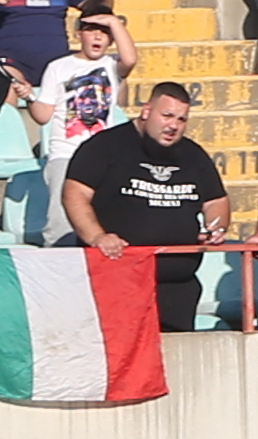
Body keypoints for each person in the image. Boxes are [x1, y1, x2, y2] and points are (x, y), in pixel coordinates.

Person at [63, 81, 230, 332]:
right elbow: (74, 194)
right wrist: (98, 237)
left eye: (181, 119)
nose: (173, 126)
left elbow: (216, 200)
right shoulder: (105, 146)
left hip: (176, 285)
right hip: (118, 280)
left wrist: (215, 227)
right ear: (146, 111)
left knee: (173, 352)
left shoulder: (193, 155)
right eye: (167, 116)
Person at [23, 7, 127, 246]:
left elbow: (130, 58)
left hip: (102, 156)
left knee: (103, 216)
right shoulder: (58, 67)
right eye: (91, 30)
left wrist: (114, 22)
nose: (98, 36)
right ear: (78, 33)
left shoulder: (112, 65)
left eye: (105, 31)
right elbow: (43, 115)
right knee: (61, 219)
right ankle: (58, 259)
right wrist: (29, 97)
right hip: (65, 154)